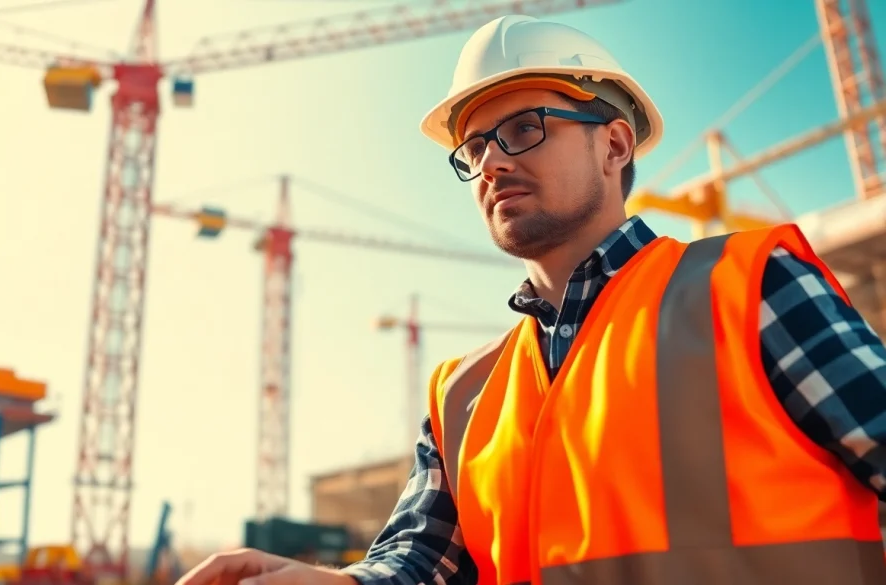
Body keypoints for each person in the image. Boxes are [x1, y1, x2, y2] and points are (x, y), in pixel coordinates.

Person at [175, 14, 886, 585]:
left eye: (523, 129)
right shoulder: (461, 396)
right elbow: (421, 564)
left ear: (614, 144)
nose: (492, 162)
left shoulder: (748, 287)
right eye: (475, 148)